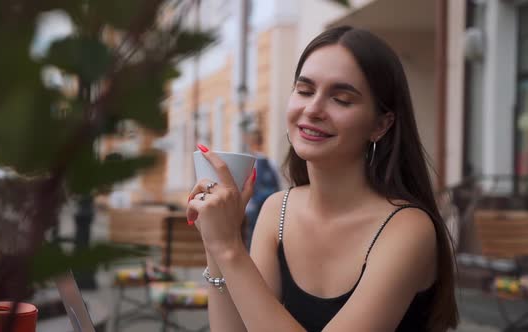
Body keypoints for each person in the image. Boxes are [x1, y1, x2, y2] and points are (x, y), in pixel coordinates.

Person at [187, 26, 458, 332]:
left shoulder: (407, 228)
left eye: (341, 99)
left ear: (381, 124)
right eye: (304, 90)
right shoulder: (278, 210)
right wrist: (215, 240)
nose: (313, 109)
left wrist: (230, 248)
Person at [243, 129, 280, 249]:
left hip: (252, 207)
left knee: (252, 237)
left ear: (250, 143)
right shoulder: (270, 162)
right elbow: (278, 184)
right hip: (269, 206)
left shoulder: (249, 162)